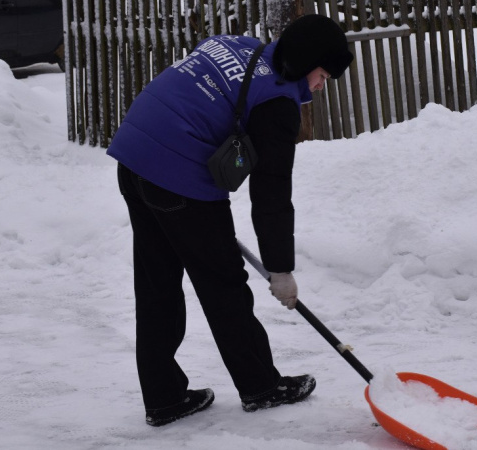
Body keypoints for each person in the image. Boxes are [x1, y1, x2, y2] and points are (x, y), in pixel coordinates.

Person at [106, 15, 354, 427]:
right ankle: (261, 386)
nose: (320, 86)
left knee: (157, 284)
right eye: (323, 74)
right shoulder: (276, 101)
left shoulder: (239, 45)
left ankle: (163, 397)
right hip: (176, 175)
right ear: (304, 61)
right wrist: (281, 270)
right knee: (224, 284)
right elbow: (271, 192)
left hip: (134, 156)